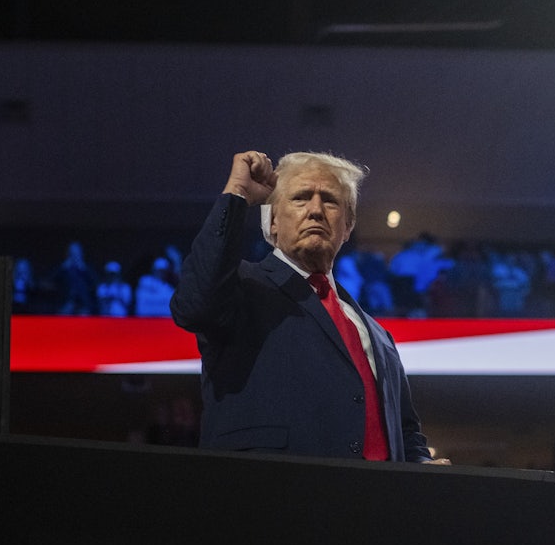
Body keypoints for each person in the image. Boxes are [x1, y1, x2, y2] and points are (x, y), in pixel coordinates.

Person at [170, 150, 448, 464]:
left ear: (347, 227)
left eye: (330, 201)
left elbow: (405, 431)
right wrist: (236, 195)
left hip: (376, 505)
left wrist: (423, 466)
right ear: (273, 221)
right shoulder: (241, 286)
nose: (316, 210)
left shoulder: (377, 333)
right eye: (301, 198)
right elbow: (193, 305)